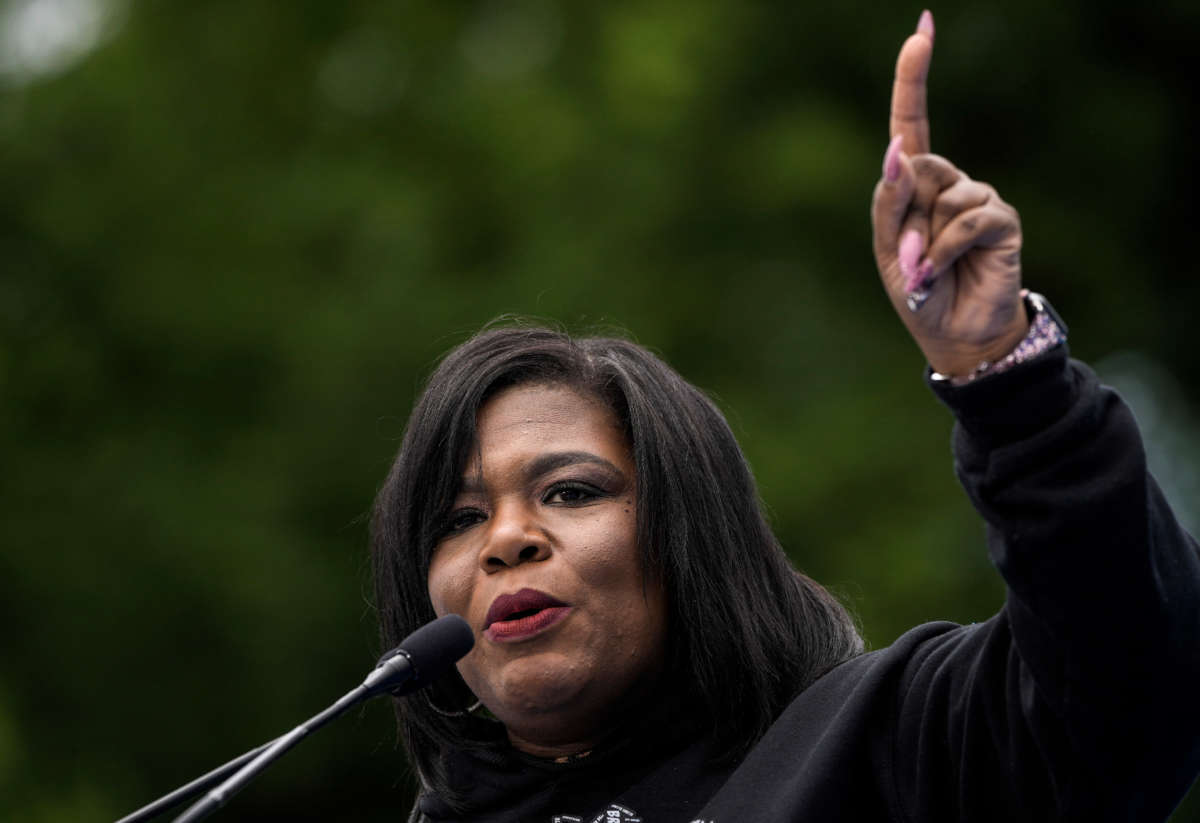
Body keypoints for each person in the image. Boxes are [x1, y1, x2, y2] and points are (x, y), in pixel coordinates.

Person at [370, 11, 1200, 822]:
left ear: (694, 530)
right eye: (460, 517)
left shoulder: (887, 744)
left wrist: (1007, 380)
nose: (505, 538)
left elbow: (1130, 683)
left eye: (572, 492)